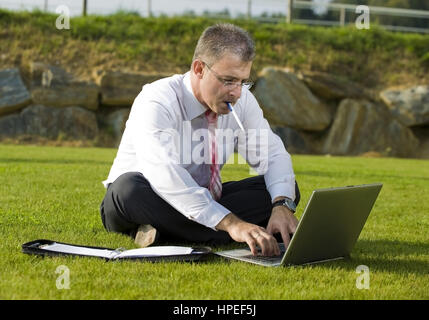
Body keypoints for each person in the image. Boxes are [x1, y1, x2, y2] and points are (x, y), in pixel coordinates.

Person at [100, 23, 300, 257]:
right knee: (129, 188)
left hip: (205, 197)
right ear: (198, 69)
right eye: (228, 80)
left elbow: (273, 155)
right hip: (146, 196)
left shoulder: (241, 100)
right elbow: (164, 174)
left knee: (283, 188)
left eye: (243, 81)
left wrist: (281, 205)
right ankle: (237, 229)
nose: (236, 92)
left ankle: (164, 234)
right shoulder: (157, 99)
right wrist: (232, 223)